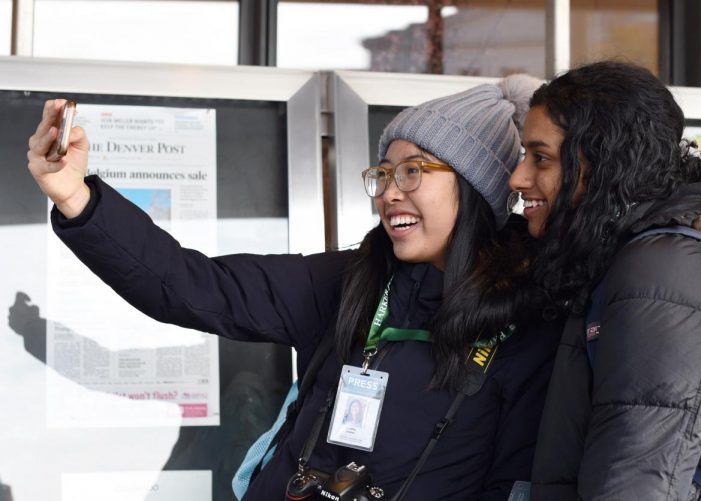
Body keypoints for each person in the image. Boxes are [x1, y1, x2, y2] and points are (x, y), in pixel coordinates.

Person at [26, 74, 561, 500]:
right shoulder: (347, 282)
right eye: (384, 174)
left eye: (413, 172)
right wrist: (75, 196)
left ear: (474, 189)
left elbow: (513, 482)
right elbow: (189, 285)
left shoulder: (524, 318)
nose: (390, 193)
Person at [509, 60, 701, 499]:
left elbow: (638, 479)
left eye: (540, 158)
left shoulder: (663, 266)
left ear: (603, 162)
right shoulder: (635, 253)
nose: (517, 177)